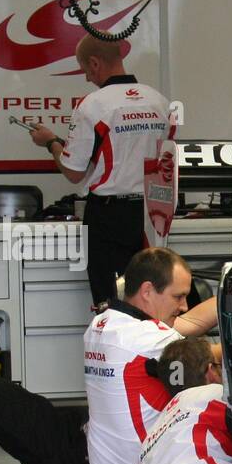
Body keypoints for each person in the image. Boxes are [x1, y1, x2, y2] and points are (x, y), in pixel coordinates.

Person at [84, 247, 217, 464]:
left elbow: (189, 325)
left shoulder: (102, 325)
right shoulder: (148, 340)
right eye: (178, 296)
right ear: (147, 291)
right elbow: (206, 353)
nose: (184, 306)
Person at [28, 32, 173, 305]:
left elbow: (73, 172)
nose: (86, 78)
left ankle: (112, 345)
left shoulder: (93, 106)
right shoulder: (161, 102)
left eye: (85, 70)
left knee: (110, 302)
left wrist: (50, 143)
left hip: (108, 216)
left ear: (95, 63)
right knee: (154, 299)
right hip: (153, 213)